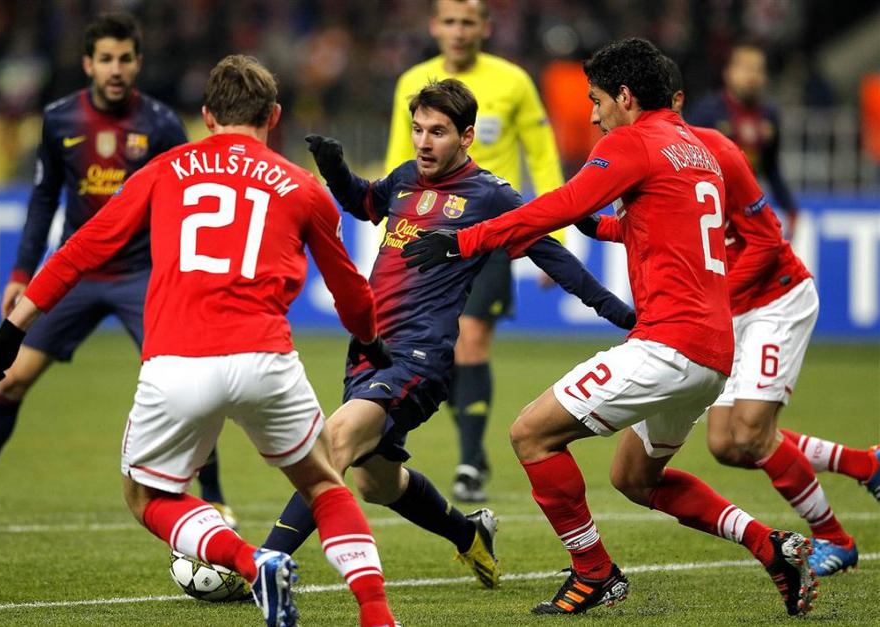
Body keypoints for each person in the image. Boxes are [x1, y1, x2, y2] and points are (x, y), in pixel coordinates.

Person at [0, 54, 398, 627]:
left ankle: (252, 562)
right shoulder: (303, 188)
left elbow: (80, 250)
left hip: (177, 361)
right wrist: (370, 340)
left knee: (145, 496)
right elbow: (351, 292)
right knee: (323, 482)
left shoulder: (164, 170)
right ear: (273, 116)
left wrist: (13, 329)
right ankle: (377, 614)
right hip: (266, 358)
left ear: (207, 116)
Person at [403, 38, 818, 617]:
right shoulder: (696, 148)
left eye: (596, 101)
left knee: (530, 435)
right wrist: (599, 228)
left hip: (667, 344)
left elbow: (563, 204)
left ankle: (594, 572)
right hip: (713, 353)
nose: (594, 116)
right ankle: (771, 546)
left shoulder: (632, 141)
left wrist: (464, 240)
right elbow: (662, 223)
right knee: (634, 478)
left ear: (624, 96)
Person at [263, 78, 634, 591]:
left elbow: (552, 255)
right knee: (376, 482)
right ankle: (468, 533)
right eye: (418, 129)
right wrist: (336, 171)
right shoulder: (404, 178)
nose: (423, 142)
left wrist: (618, 312)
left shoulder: (491, 195)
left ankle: (259, 564)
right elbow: (365, 203)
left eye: (437, 132)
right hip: (371, 350)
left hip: (420, 356)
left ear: (466, 136)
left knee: (333, 443)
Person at [0, 12, 236, 530]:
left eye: (125, 59)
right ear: (87, 64)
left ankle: (215, 498)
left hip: (142, 275)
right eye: (106, 59)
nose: (115, 69)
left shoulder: (162, 125)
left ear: (138, 63)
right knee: (11, 380)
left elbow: (187, 203)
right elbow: (43, 199)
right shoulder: (59, 120)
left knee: (188, 386)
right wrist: (21, 273)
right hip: (77, 272)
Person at [664, 56, 873, 577]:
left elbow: (765, 240)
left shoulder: (715, 148)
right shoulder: (664, 157)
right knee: (726, 444)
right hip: (734, 305)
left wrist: (718, 298)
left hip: (774, 300)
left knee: (753, 432)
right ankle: (863, 463)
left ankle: (835, 537)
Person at [386, 0, 565, 502]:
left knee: (471, 340)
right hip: (429, 237)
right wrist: (391, 231)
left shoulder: (513, 82)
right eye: (450, 21)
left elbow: (542, 157)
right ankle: (472, 444)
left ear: (485, 27)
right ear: (434, 26)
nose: (458, 31)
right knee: (437, 352)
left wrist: (556, 233)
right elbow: (400, 160)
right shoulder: (412, 82)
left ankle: (468, 463)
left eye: (468, 22)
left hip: (490, 235)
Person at [688, 42, 799, 237]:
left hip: (747, 213)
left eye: (758, 69)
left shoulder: (769, 116)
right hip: (708, 211)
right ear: (728, 72)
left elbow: (771, 168)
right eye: (746, 68)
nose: (752, 76)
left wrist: (790, 208)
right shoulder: (706, 112)